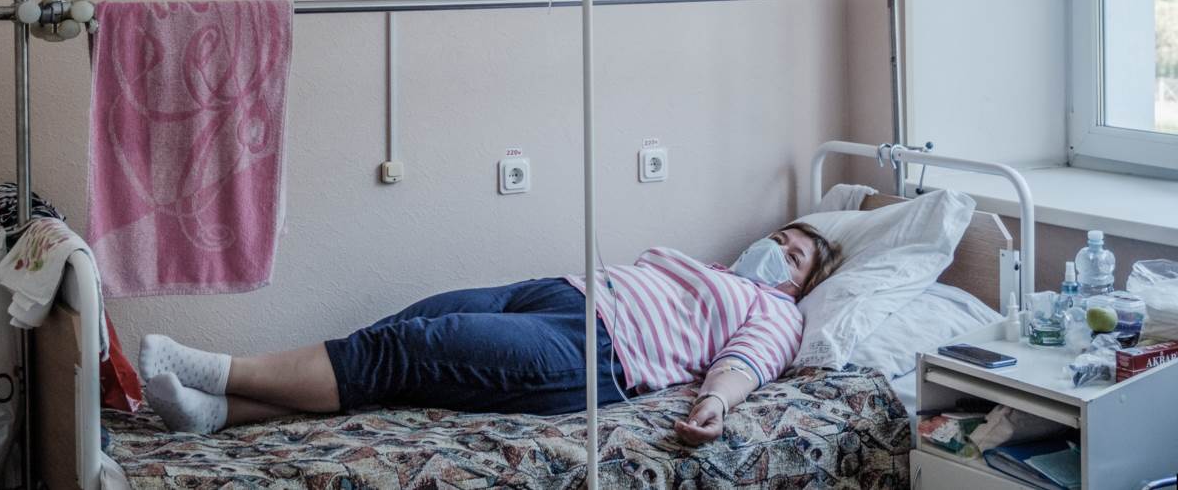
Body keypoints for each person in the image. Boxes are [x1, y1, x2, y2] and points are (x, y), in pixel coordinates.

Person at [139, 222, 842, 446]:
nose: (776, 250)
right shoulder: (714, 269)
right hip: (559, 293)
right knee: (401, 330)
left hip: (597, 353)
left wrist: (715, 403)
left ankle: (217, 370)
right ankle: (221, 413)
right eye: (780, 237)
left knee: (404, 353)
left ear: (801, 283)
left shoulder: (779, 312)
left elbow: (747, 362)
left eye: (794, 256)